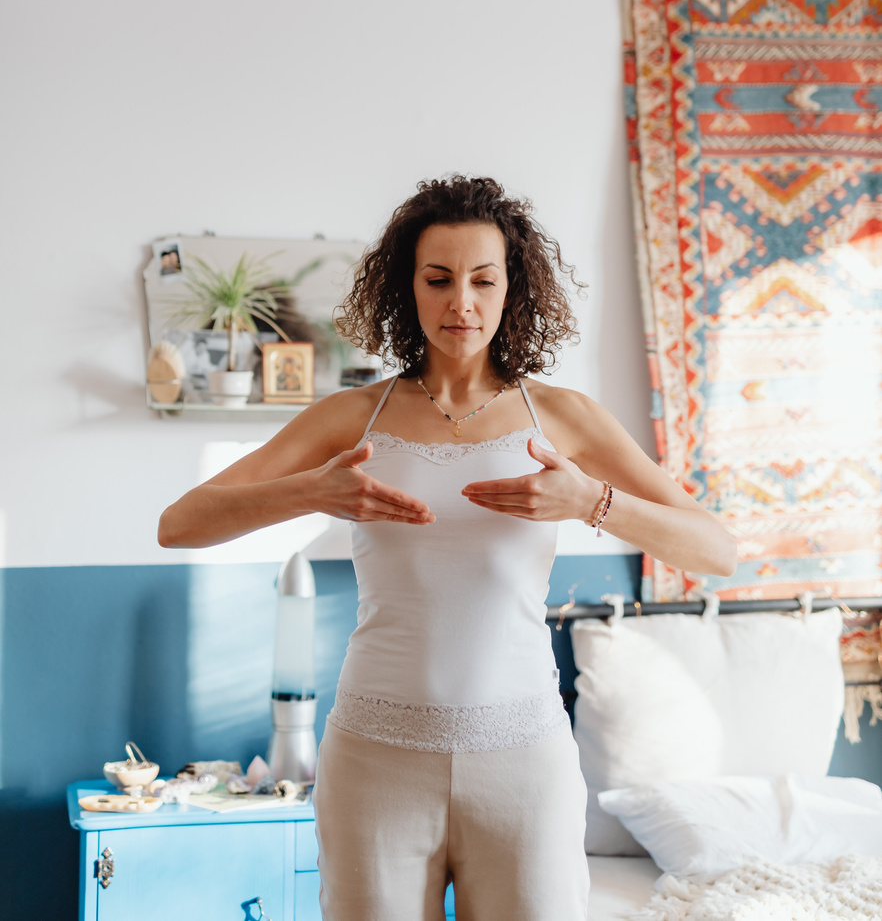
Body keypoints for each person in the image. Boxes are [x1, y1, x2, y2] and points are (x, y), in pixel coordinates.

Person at [158, 176, 736, 921]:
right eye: (438, 279)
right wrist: (312, 492)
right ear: (408, 289)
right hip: (374, 763)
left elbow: (717, 549)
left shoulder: (564, 417)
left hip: (525, 765)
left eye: (482, 280)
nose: (460, 303)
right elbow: (181, 523)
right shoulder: (352, 417)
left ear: (511, 290)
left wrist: (590, 501)